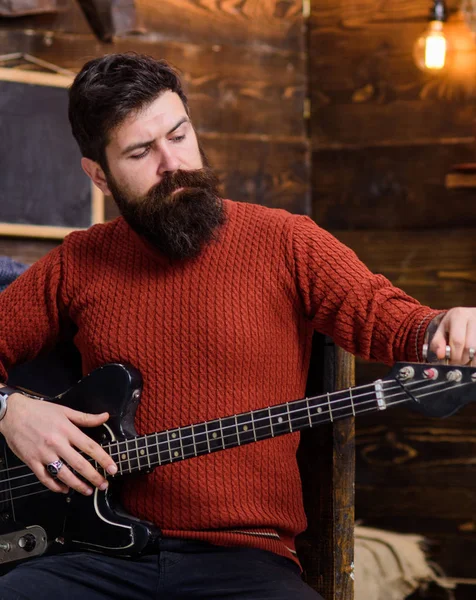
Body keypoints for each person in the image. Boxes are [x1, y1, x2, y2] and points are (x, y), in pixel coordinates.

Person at [0, 52, 473, 600]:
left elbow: (389, 319)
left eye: (179, 135)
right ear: (99, 175)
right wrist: (13, 411)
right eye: (140, 151)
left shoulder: (287, 241)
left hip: (245, 563)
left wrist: (447, 325)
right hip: (91, 560)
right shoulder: (76, 262)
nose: (172, 163)